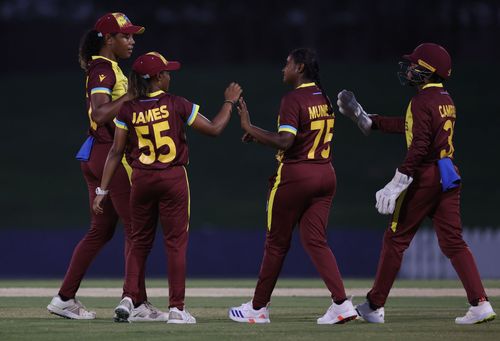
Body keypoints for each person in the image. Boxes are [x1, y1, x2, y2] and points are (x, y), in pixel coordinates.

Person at [337, 43, 496, 325]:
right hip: (448, 172)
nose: (409, 69)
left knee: (395, 239)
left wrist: (398, 181)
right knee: (454, 242)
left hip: (425, 176)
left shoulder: (422, 101)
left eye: (415, 65)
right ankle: (480, 303)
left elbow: (420, 144)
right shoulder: (444, 98)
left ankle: (374, 305)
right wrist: (369, 120)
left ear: (428, 71)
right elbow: (411, 126)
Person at [92, 51, 242, 324]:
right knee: (175, 244)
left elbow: (115, 151)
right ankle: (176, 309)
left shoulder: (128, 108)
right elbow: (214, 128)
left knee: (138, 242)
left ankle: (128, 297)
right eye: (167, 72)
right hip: (172, 178)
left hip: (141, 179)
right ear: (158, 77)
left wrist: (102, 191)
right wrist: (229, 102)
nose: (170, 75)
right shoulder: (176, 103)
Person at [47, 13, 166, 322]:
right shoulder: (103, 68)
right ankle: (136, 303)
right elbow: (100, 113)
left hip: (96, 156)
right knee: (138, 230)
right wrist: (131, 95)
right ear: (108, 40)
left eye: (131, 36)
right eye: (125, 36)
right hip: (109, 156)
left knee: (100, 231)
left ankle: (64, 298)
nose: (132, 41)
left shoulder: (107, 68)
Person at [228, 48, 358, 324]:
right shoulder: (322, 97)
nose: (283, 68)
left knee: (276, 244)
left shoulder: (293, 98)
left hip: (296, 176)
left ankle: (258, 308)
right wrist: (261, 136)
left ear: (299, 68)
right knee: (316, 241)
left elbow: (286, 142)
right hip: (325, 174)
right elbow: (298, 137)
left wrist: (250, 128)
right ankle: (342, 304)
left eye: (287, 64)